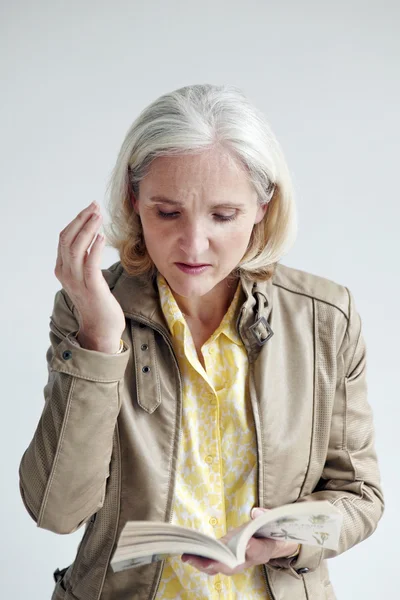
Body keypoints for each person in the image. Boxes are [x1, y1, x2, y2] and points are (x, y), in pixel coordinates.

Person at [19, 83, 384, 600]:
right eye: (167, 213)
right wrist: (99, 341)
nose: (193, 244)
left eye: (223, 215)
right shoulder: (90, 311)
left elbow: (359, 499)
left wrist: (287, 537)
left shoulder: (325, 318)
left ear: (262, 206)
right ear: (134, 200)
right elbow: (56, 511)